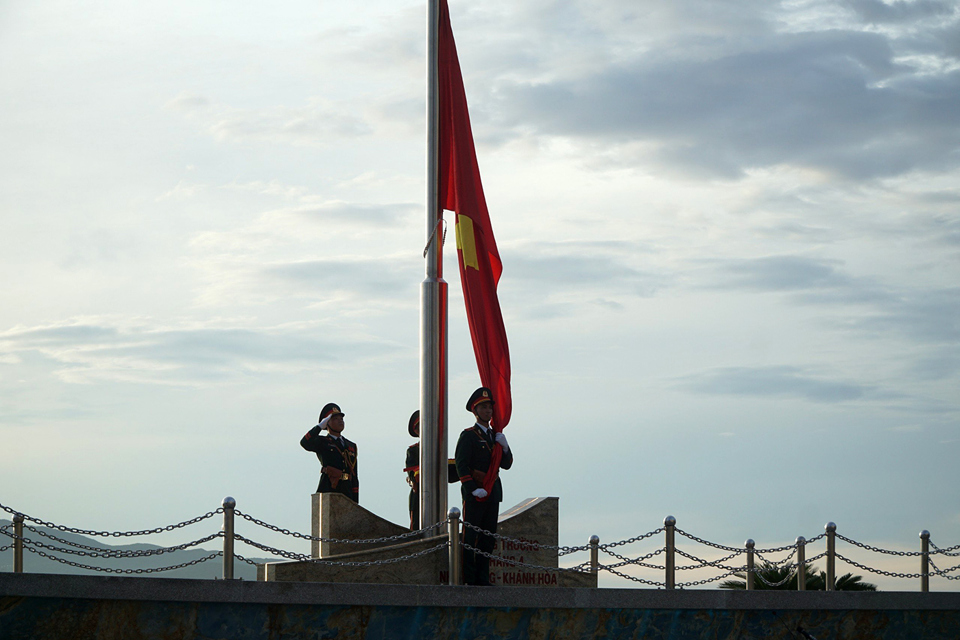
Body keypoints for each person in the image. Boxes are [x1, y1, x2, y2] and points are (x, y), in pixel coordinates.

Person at [455, 387, 513, 586]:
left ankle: (482, 577)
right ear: (475, 411)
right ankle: (469, 579)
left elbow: (506, 464)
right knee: (471, 538)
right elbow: (461, 465)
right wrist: (472, 488)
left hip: (493, 491)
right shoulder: (469, 436)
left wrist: (505, 447)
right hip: (476, 492)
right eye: (484, 407)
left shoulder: (494, 436)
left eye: (490, 407)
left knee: (488, 538)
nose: (488, 411)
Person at [300, 402, 359, 503]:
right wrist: (319, 427)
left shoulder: (350, 445)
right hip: (329, 486)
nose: (340, 421)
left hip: (346, 490)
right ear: (327, 423)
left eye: (341, 418)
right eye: (335, 419)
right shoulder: (322, 442)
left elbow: (354, 475)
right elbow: (305, 443)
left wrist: (355, 500)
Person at [404, 410, 421, 530]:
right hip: (419, 494)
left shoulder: (439, 448)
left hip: (438, 493)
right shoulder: (413, 451)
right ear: (416, 431)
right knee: (416, 526)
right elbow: (413, 474)